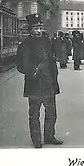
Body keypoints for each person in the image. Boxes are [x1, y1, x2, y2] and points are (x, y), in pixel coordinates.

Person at [16, 13, 63, 148]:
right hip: (34, 85)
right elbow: (21, 66)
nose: (39, 30)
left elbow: (53, 58)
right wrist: (34, 70)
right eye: (36, 28)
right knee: (34, 115)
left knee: (52, 113)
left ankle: (49, 136)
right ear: (30, 29)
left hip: (49, 84)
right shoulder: (25, 45)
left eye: (40, 27)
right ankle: (36, 140)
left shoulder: (47, 41)